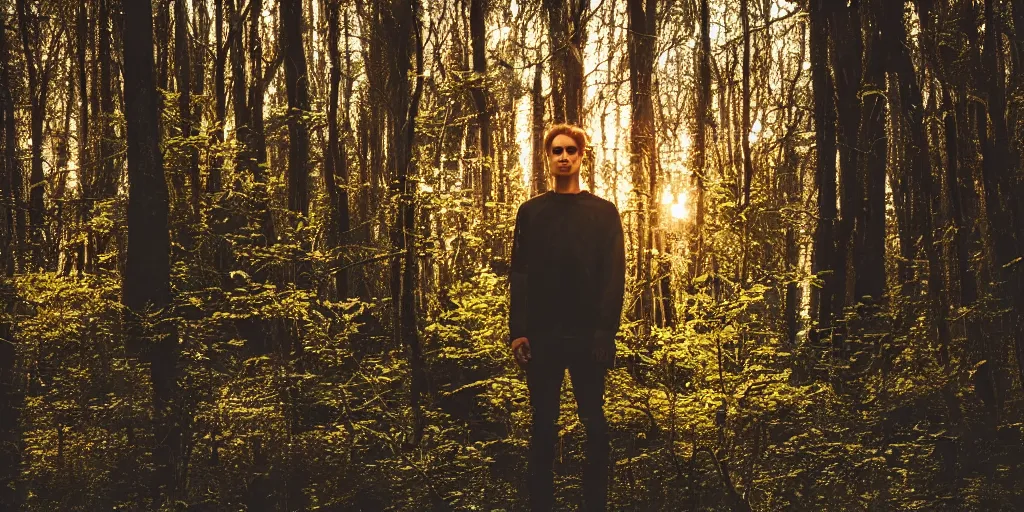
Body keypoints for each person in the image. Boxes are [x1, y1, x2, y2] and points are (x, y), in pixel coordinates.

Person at [508, 123, 626, 512]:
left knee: (594, 423)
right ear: (548, 157)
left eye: (570, 151)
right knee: (543, 426)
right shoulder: (531, 212)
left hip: (588, 338)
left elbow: (614, 274)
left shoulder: (604, 213)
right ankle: (541, 504)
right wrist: (519, 332)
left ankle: (596, 504)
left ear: (581, 156)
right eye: (556, 151)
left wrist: (605, 332)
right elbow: (520, 274)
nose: (563, 157)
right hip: (542, 338)